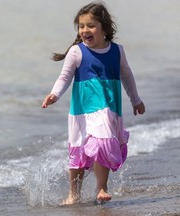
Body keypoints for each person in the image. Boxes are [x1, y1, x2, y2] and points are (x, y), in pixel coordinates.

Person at [41, 2, 145, 205]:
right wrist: (55, 94)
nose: (84, 30)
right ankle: (74, 194)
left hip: (108, 108)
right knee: (79, 152)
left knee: (103, 141)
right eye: (81, 26)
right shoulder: (76, 52)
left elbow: (127, 76)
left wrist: (136, 99)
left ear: (104, 28)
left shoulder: (117, 51)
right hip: (81, 110)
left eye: (90, 25)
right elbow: (64, 77)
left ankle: (102, 187)